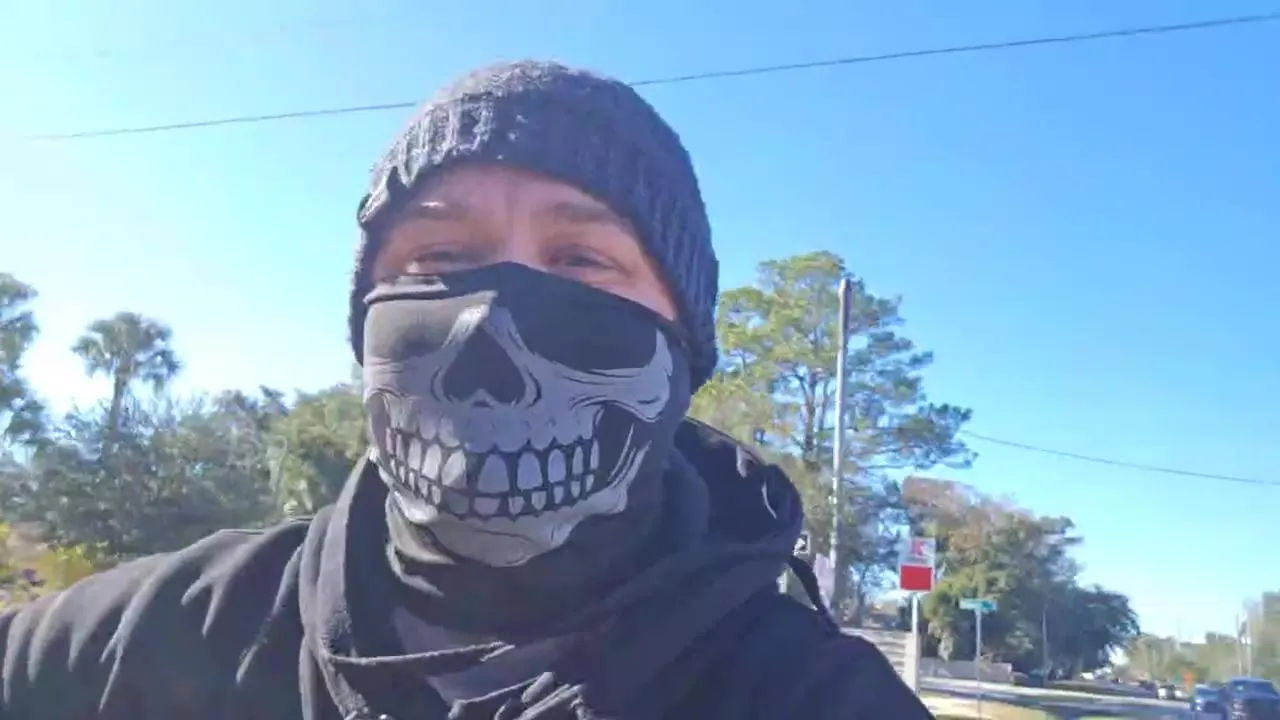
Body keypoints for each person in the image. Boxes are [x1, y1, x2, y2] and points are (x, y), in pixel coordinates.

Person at [0, 60, 933, 719]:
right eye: (439, 257)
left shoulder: (812, 697)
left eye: (581, 260)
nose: (489, 326)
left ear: (684, 345)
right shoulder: (152, 640)